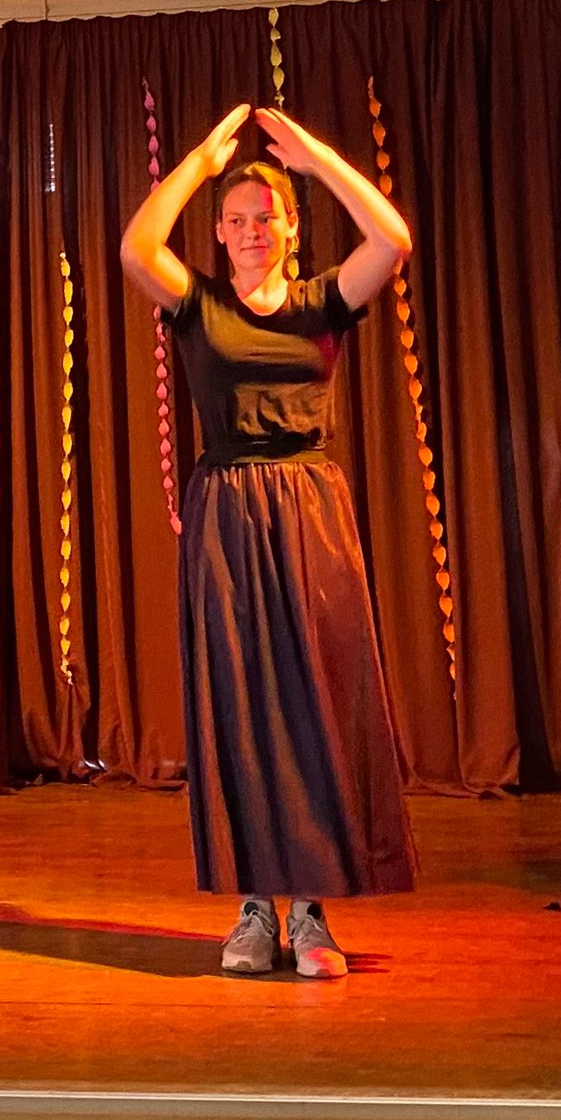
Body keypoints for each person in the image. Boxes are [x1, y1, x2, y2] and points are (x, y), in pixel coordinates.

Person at [120, 103, 416, 979]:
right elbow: (138, 249)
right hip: (226, 510)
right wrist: (199, 165)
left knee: (316, 702)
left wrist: (319, 160)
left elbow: (392, 239)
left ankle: (311, 912)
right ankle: (254, 909)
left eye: (267, 218)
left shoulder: (324, 301)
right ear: (220, 232)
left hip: (309, 506)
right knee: (240, 708)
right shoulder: (200, 305)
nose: (252, 231)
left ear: (291, 228)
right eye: (238, 220)